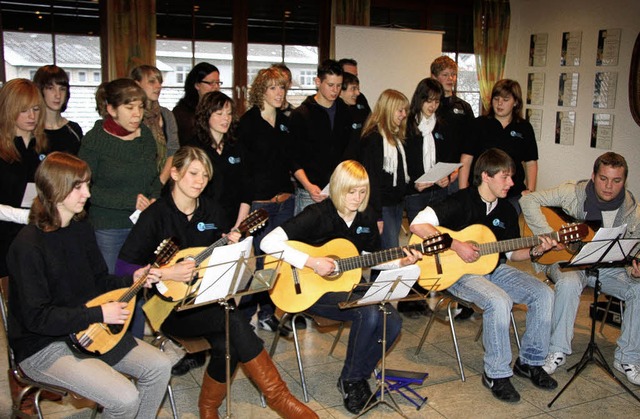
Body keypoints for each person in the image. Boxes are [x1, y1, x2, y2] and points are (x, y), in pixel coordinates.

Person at [116, 146, 317, 419]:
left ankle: (208, 408)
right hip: (168, 307)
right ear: (174, 173)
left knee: (229, 340)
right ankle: (280, 400)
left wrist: (232, 247)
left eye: (205, 175)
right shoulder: (156, 215)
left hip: (205, 299)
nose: (200, 181)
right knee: (233, 322)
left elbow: (220, 262)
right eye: (193, 173)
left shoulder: (212, 211)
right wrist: (165, 274)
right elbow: (124, 268)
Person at [7, 152, 171, 418]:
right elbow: (37, 318)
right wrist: (99, 314)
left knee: (160, 366)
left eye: (87, 185)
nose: (87, 194)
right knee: (125, 398)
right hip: (43, 346)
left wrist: (132, 279)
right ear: (56, 189)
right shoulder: (27, 246)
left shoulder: (81, 227)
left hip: (90, 330)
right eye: (79, 187)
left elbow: (99, 282)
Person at [261, 160, 422, 414]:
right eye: (351, 191)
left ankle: (355, 376)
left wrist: (401, 260)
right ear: (337, 188)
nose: (357, 198)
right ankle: (352, 381)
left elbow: (372, 257)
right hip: (308, 290)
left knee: (393, 321)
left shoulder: (366, 216)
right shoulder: (318, 213)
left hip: (347, 287)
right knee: (367, 312)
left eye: (361, 192)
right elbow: (268, 242)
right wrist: (312, 262)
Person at [410, 148, 558, 403]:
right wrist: (456, 245)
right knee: (499, 301)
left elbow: (512, 255)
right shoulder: (460, 200)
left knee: (543, 293)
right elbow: (417, 225)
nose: (511, 183)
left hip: (494, 268)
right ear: (486, 176)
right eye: (505, 177)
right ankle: (496, 374)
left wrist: (536, 250)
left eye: (512, 177)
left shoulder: (507, 211)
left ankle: (530, 362)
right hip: (458, 273)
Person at [520, 152, 640, 385]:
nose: (609, 186)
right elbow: (528, 200)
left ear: (625, 181)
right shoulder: (572, 193)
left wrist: (635, 267)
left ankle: (628, 357)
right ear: (593, 176)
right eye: (603, 178)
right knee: (569, 282)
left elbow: (635, 247)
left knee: (639, 289)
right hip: (567, 262)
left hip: (607, 268)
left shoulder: (632, 211)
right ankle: (557, 350)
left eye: (617, 181)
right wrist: (549, 236)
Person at [78, 78, 162, 274]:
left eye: (140, 107)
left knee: (144, 282)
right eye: (129, 107)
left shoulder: (146, 136)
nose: (137, 114)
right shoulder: (95, 140)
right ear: (112, 109)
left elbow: (153, 177)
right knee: (114, 287)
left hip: (144, 224)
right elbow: (84, 189)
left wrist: (154, 198)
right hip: (109, 227)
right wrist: (129, 201)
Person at [236, 67, 295, 332]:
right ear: (260, 90)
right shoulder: (248, 123)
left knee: (277, 260)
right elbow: (244, 169)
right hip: (261, 203)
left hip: (285, 200)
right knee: (260, 260)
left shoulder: (284, 121)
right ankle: (245, 313)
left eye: (282, 87)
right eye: (273, 88)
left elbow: (291, 160)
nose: (279, 93)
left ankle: (268, 313)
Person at [399, 78, 451, 318]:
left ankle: (428, 289)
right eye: (429, 101)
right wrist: (414, 184)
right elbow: (401, 165)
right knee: (415, 244)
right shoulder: (407, 126)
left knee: (434, 243)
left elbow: (448, 158)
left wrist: (445, 178)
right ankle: (410, 298)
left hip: (437, 190)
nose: (432, 106)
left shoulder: (441, 125)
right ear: (419, 99)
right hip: (414, 192)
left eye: (437, 101)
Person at [459, 79, 538, 213]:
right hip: (481, 191)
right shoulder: (478, 124)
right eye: (496, 99)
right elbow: (466, 159)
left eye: (505, 99)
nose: (499, 103)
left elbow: (531, 162)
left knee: (506, 231)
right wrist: (462, 190)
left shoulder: (524, 128)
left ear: (516, 102)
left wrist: (530, 191)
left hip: (512, 194)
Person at [289, 59, 353, 215]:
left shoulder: (345, 111)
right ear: (318, 82)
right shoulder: (301, 114)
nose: (335, 90)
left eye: (339, 86)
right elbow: (293, 158)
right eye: (330, 85)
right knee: (306, 238)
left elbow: (349, 149)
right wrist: (308, 185)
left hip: (339, 190)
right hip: (310, 192)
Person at [0, 78, 48, 278]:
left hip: (39, 235)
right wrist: (22, 216)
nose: (31, 116)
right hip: (5, 238)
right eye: (24, 110)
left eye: (36, 109)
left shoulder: (45, 145)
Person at [187, 91, 251, 232]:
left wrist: (239, 226)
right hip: (203, 223)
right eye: (219, 113)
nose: (226, 119)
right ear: (206, 115)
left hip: (234, 221)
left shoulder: (236, 146)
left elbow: (246, 190)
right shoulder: (194, 148)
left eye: (228, 114)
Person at [358, 89, 410, 250]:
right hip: (383, 207)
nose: (403, 115)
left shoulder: (396, 137)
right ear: (388, 109)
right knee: (390, 253)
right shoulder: (373, 138)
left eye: (405, 111)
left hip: (396, 204)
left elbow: (400, 175)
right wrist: (377, 215)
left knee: (388, 251)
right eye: (400, 110)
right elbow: (371, 180)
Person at [429, 56, 475, 194]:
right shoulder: (428, 106)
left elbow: (470, 144)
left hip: (456, 174)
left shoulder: (464, 107)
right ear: (434, 77)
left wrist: (459, 170)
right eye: (445, 75)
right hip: (432, 174)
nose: (451, 78)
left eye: (453, 75)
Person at [130, 64, 180, 184]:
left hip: (164, 181)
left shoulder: (166, 115)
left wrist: (161, 182)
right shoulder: (131, 115)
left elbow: (173, 151)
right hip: (135, 181)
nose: (158, 86)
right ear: (137, 84)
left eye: (160, 82)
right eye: (152, 82)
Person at [32, 65, 83, 155]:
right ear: (40, 90)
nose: (58, 95)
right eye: (50, 88)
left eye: (62, 89)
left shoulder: (74, 130)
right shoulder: (31, 131)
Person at [173, 62, 222, 145]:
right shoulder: (182, 113)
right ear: (197, 85)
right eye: (211, 83)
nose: (216, 87)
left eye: (217, 83)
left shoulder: (220, 108)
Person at [340, 72, 370, 160]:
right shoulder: (333, 114)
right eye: (353, 89)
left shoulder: (361, 101)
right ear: (340, 91)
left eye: (358, 89)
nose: (357, 93)